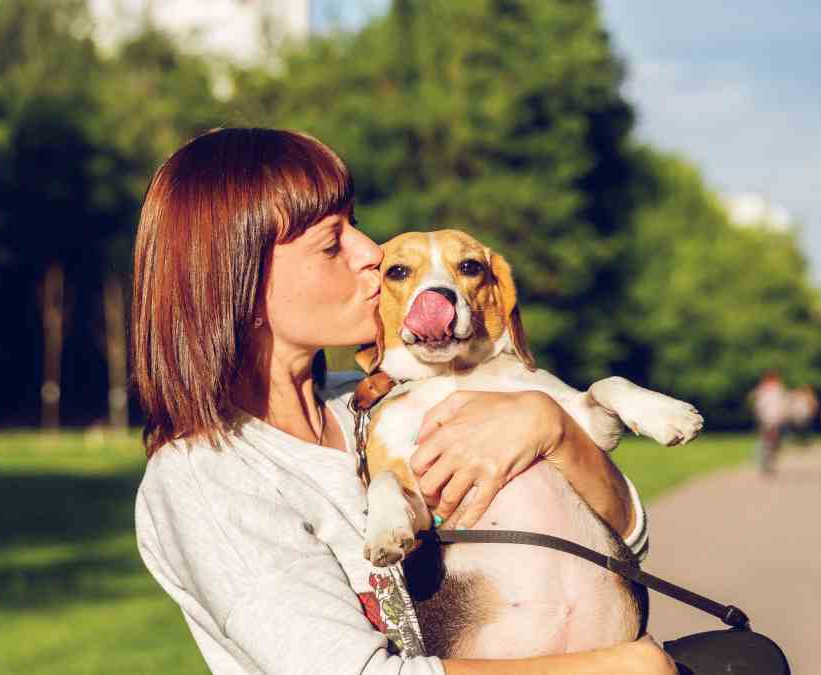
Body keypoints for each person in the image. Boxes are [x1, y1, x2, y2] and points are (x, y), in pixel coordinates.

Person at [130, 128, 674, 674]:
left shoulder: (378, 404)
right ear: (239, 281)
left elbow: (625, 540)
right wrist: (623, 670)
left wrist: (551, 427)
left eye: (357, 226)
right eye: (330, 242)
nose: (370, 252)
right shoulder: (207, 478)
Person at [749, 371, 787, 475]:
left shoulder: (767, 389)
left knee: (768, 440)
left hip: (769, 418)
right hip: (771, 418)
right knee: (770, 441)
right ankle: (767, 460)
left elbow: (756, 402)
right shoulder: (775, 388)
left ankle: (767, 460)